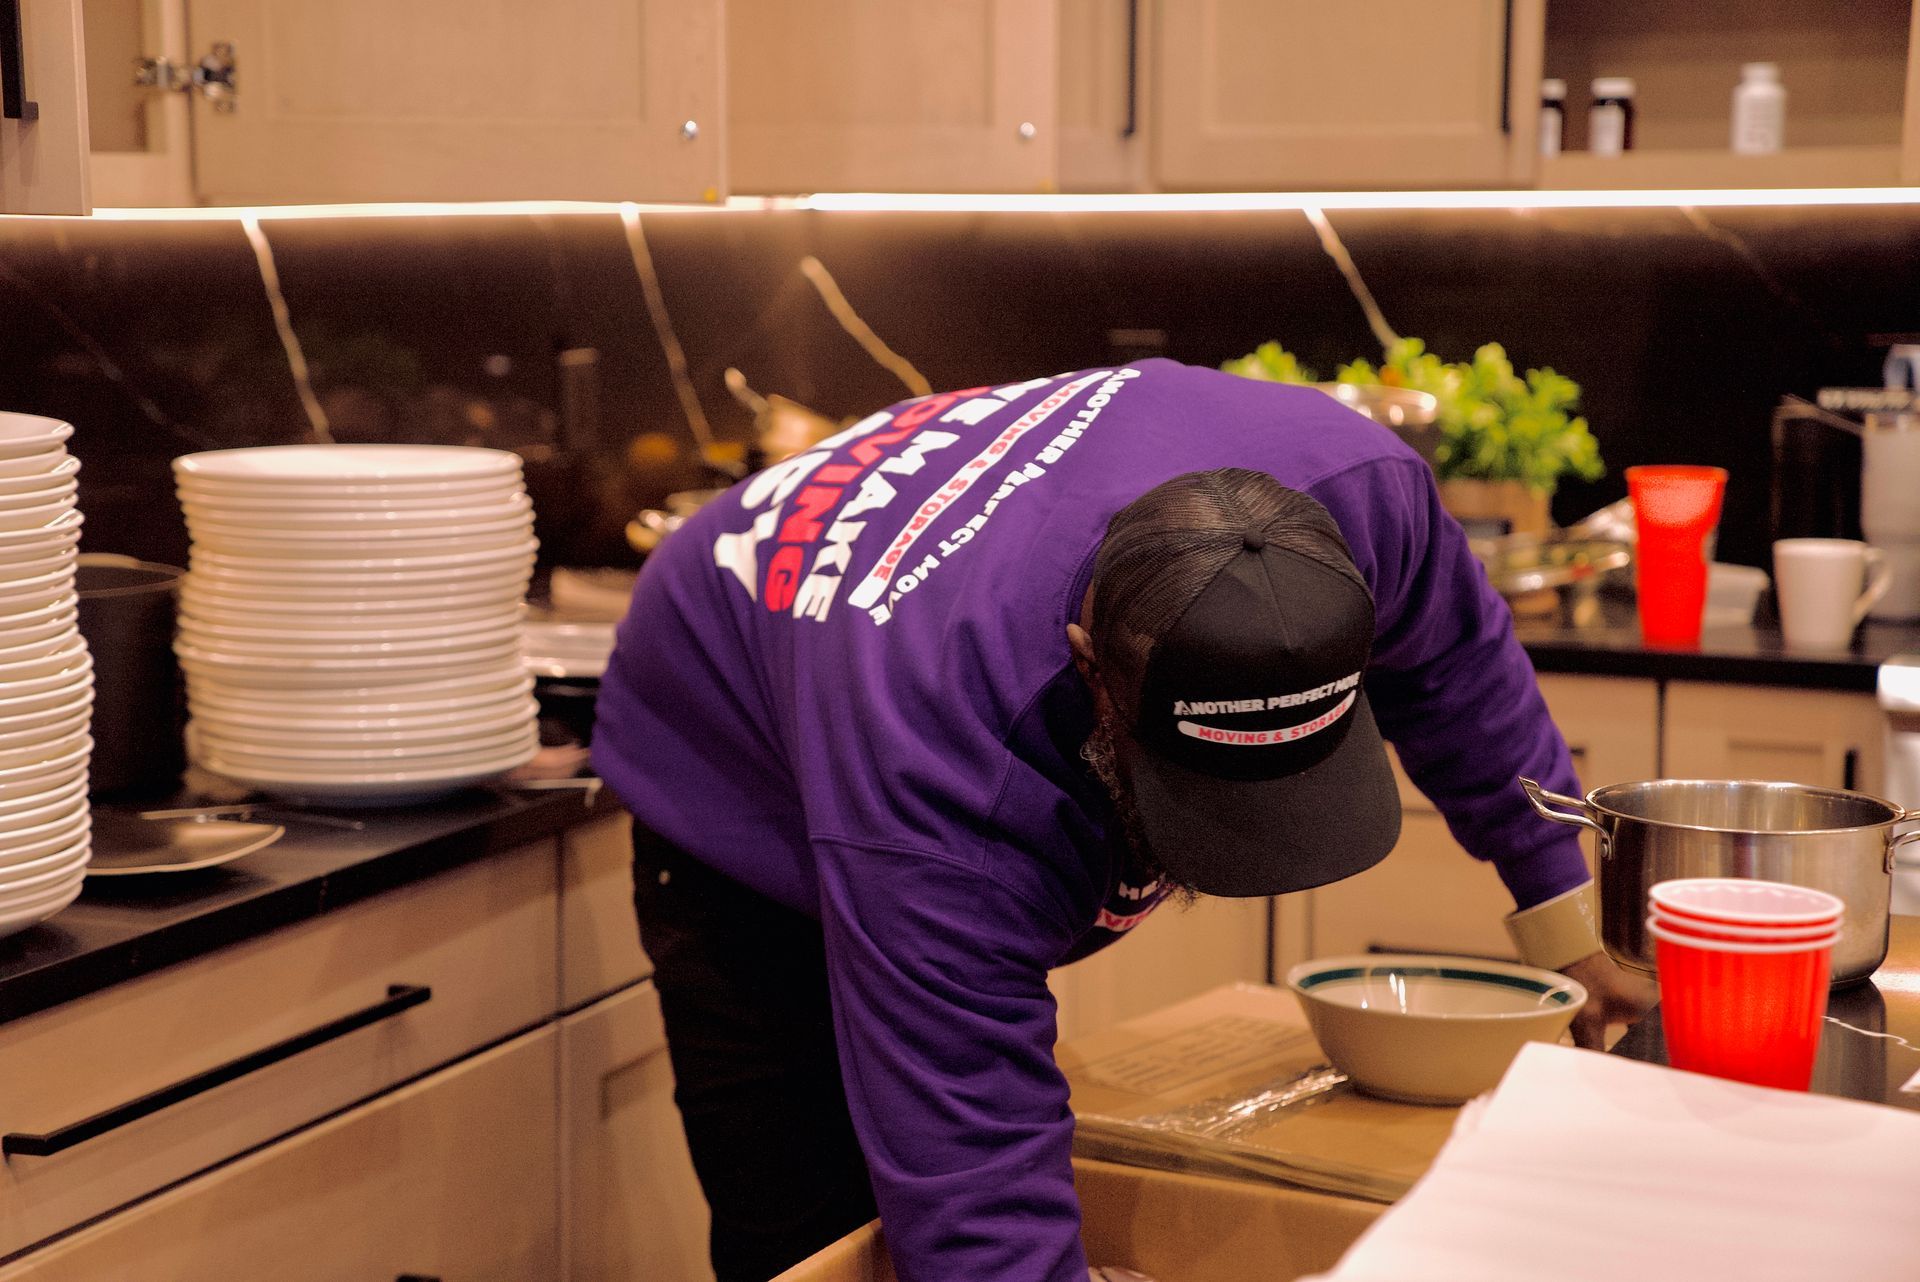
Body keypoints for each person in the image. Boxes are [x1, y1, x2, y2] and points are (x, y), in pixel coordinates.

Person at [591, 359, 1645, 1282]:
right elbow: (971, 1173)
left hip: (933, 617)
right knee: (817, 1231)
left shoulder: (1365, 495)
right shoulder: (939, 771)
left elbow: (1461, 675)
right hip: (732, 752)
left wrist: (1573, 924)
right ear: (1092, 667)